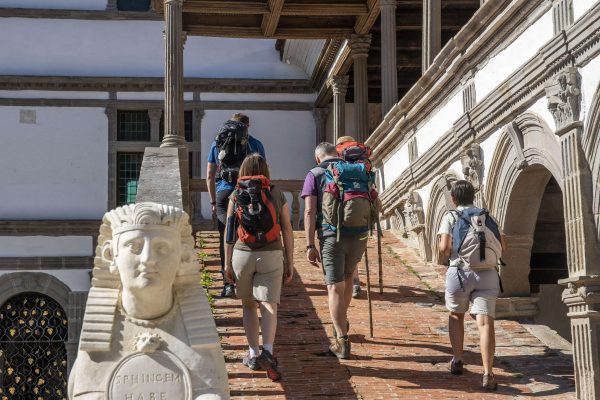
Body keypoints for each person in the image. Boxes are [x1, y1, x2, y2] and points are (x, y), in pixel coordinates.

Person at [69, 202, 229, 399]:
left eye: (162, 248)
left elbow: (213, 392)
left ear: (183, 256)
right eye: (134, 246)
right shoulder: (102, 331)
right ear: (111, 256)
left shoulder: (193, 326)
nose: (147, 259)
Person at [224, 154, 294, 382]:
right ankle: (268, 351)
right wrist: (290, 262)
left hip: (243, 254)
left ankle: (253, 353)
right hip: (272, 253)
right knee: (268, 304)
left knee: (248, 305)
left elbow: (228, 231)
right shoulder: (276, 193)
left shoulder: (236, 194)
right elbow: (287, 230)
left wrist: (226, 262)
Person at [438, 180, 507, 391]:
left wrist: (457, 254)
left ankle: (457, 360)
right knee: (486, 323)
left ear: (454, 198)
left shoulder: (450, 216)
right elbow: (503, 246)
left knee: (456, 315)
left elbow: (444, 248)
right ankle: (488, 373)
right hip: (488, 274)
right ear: (473, 196)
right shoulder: (487, 216)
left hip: (459, 272)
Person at [302, 142, 369, 359]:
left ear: (317, 157)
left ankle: (341, 340)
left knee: (334, 287)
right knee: (348, 278)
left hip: (332, 236)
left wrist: (310, 244)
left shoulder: (315, 174)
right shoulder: (354, 169)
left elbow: (310, 211)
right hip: (358, 234)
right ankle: (341, 321)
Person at [207, 113, 266, 298]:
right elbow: (264, 173)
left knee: (226, 236)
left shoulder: (218, 142)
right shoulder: (255, 144)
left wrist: (214, 201)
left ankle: (227, 283)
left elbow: (210, 174)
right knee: (250, 235)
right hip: (248, 194)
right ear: (247, 126)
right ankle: (250, 281)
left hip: (224, 193)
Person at [336, 136, 363, 299]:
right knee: (356, 251)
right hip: (361, 218)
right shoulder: (363, 168)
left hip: (343, 215)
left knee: (344, 251)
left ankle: (348, 282)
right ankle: (356, 281)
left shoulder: (338, 168)